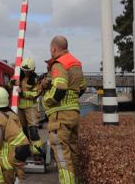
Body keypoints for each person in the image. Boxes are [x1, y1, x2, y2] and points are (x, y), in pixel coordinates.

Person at [41, 36, 87, 184]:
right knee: (72, 154)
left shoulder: (59, 64)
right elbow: (83, 87)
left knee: (61, 156)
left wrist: (47, 100)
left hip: (60, 115)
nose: (50, 52)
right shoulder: (76, 63)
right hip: (74, 114)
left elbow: (60, 88)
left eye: (50, 50)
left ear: (54, 48)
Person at [0, 86, 27, 184]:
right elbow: (20, 145)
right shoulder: (13, 118)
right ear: (7, 100)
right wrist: (19, 171)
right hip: (7, 167)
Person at [7, 58, 43, 156]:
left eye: (28, 71)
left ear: (33, 70)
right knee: (22, 130)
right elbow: (9, 84)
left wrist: (22, 93)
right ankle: (26, 149)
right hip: (20, 107)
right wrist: (13, 83)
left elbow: (36, 93)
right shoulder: (19, 76)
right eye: (24, 70)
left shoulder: (36, 79)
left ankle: (37, 150)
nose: (26, 73)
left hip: (31, 107)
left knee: (33, 130)